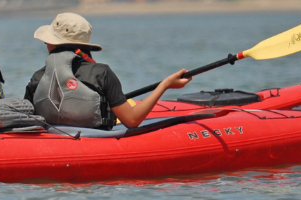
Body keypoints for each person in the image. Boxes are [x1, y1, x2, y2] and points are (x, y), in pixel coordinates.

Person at [25, 12, 190, 130]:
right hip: (94, 145)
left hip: (53, 144)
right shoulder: (101, 73)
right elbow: (132, 120)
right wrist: (165, 85)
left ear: (52, 44)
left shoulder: (38, 77)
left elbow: (29, 120)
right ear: (83, 45)